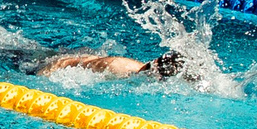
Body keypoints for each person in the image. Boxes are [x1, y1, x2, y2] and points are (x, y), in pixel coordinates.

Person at [30, 49, 186, 80]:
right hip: (46, 63)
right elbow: (67, 62)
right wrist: (38, 74)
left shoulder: (140, 75)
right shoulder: (117, 67)